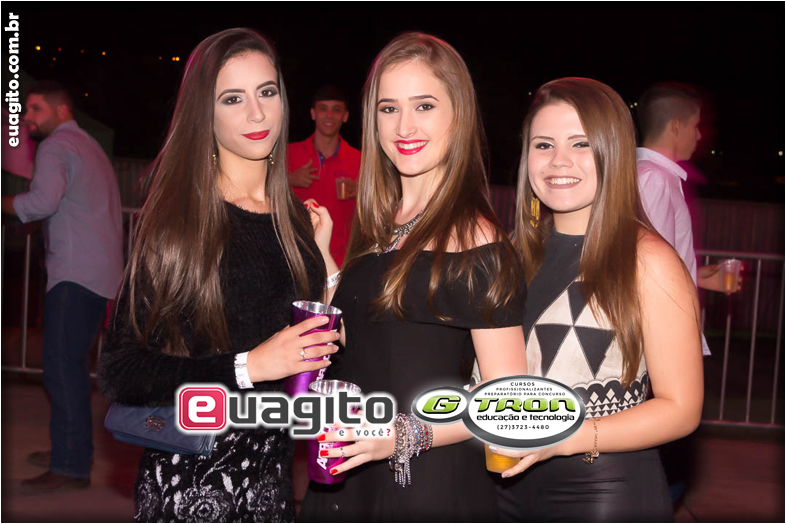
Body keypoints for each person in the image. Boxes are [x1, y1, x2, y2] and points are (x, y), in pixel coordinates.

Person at [98, 28, 340, 522]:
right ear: (204, 114)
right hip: (193, 485)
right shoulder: (180, 221)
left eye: (266, 92)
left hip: (272, 488)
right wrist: (249, 366)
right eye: (233, 99)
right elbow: (121, 371)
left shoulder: (297, 220)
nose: (257, 114)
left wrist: (324, 261)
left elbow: (319, 348)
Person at [299, 32, 528, 522]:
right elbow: (365, 331)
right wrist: (325, 259)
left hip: (424, 485)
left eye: (424, 105)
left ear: (457, 115)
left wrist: (401, 435)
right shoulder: (384, 219)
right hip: (348, 471)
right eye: (389, 108)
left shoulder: (476, 238)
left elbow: (509, 404)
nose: (404, 126)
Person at [494, 78, 703, 522]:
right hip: (500, 488)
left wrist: (565, 437)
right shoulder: (514, 250)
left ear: (613, 151)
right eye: (544, 145)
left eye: (581, 143)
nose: (559, 160)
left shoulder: (647, 261)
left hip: (601, 493)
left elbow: (681, 410)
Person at [1, 81, 124, 493]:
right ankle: (73, 452)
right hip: (99, 274)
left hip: (74, 274)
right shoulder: (89, 146)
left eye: (35, 109)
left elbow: (42, 202)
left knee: (61, 370)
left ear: (61, 110)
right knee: (70, 368)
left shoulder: (56, 146)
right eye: (25, 110)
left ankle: (69, 466)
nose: (26, 118)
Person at [637, 82, 740, 307]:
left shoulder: (653, 175)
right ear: (676, 126)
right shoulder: (654, 179)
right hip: (664, 320)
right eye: (695, 125)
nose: (699, 135)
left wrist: (695, 276)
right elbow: (649, 270)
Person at [288, 85, 361, 265]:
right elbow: (259, 191)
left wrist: (364, 192)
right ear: (313, 113)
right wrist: (288, 180)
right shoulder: (289, 153)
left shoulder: (360, 159)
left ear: (345, 116)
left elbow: (381, 209)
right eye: (323, 109)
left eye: (336, 110)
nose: (329, 115)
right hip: (297, 257)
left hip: (344, 261)